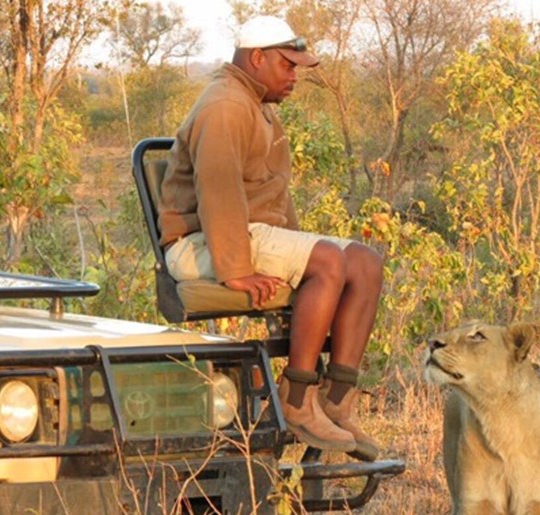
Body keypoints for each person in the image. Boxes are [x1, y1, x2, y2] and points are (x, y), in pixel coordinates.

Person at [157, 15, 382, 462]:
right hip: (200, 244)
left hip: (245, 234)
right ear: (257, 58)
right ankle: (297, 400)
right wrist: (236, 270)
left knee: (364, 262)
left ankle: (335, 397)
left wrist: (303, 253)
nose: (295, 75)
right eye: (289, 65)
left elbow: (272, 201)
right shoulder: (225, 106)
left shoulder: (257, 105)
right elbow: (217, 194)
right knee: (327, 263)